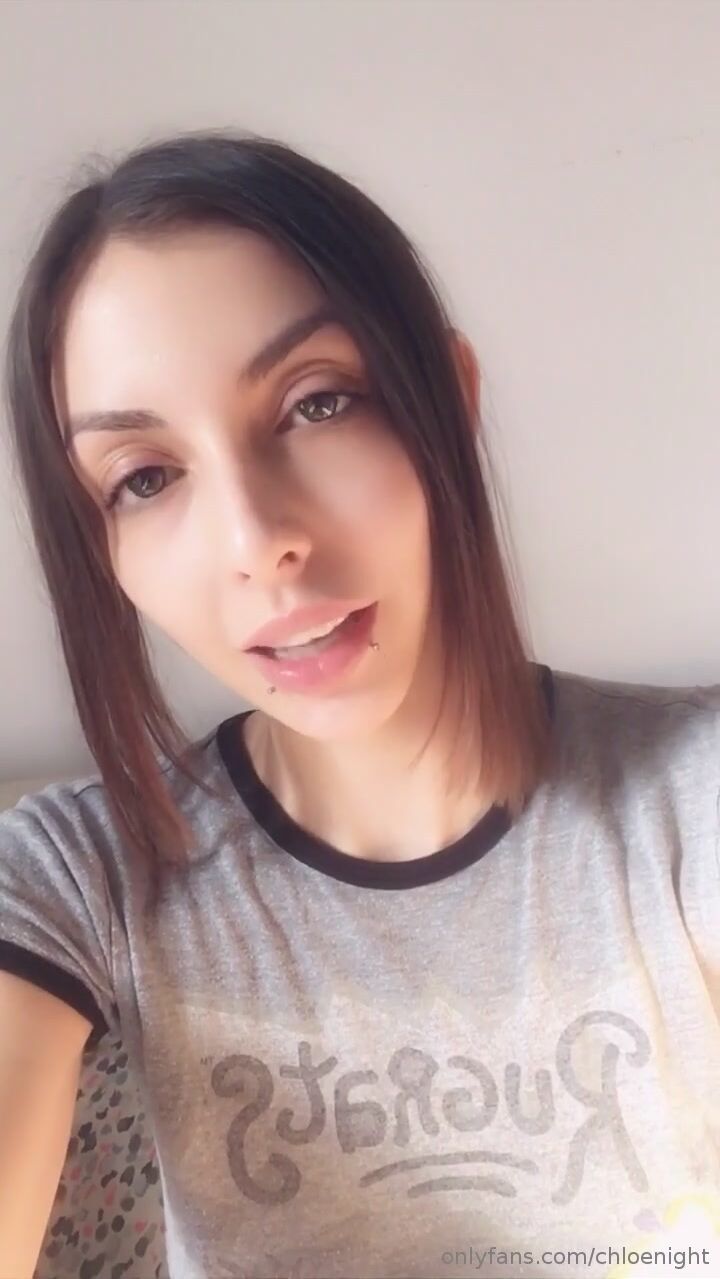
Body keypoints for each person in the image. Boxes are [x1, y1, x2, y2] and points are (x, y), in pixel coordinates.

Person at [0, 129, 718, 1279]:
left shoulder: (692, 799)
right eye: (146, 477)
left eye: (318, 403)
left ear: (450, 397)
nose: (256, 541)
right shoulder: (77, 875)